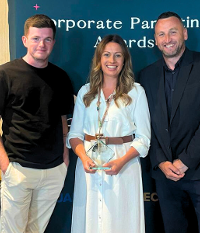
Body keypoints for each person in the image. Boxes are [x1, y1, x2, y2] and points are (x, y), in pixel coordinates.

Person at [0, 14, 74, 233]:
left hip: (54, 170)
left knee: (36, 230)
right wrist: (6, 166)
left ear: (54, 42)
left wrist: (64, 159)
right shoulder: (5, 74)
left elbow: (62, 120)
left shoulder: (61, 77)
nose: (42, 44)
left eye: (47, 39)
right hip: (18, 169)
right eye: (36, 38)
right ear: (24, 40)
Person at [139, 12, 200, 233]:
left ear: (185, 34)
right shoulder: (146, 76)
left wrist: (184, 161)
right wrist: (161, 161)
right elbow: (144, 124)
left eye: (173, 32)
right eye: (161, 34)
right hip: (166, 174)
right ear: (155, 39)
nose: (167, 38)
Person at [67, 34, 151, 233]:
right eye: (106, 55)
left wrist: (121, 161)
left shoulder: (136, 92)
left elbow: (144, 139)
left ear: (124, 61)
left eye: (117, 56)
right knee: (89, 221)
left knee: (121, 221)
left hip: (124, 166)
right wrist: (84, 157)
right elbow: (74, 135)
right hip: (89, 166)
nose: (112, 61)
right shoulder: (85, 92)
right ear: (99, 59)